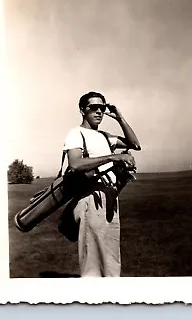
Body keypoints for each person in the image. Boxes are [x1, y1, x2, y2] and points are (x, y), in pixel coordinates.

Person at [63, 91, 141, 277]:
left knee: (111, 261)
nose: (99, 111)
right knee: (93, 265)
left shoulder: (105, 136)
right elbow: (75, 164)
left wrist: (119, 117)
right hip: (90, 198)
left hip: (110, 199)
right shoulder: (76, 133)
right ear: (83, 110)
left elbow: (135, 144)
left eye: (102, 108)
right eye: (93, 108)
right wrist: (114, 156)